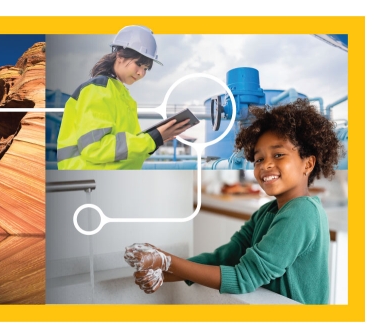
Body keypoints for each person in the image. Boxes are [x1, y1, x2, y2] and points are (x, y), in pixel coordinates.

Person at [124, 98, 345, 304]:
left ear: (308, 164)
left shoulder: (302, 212)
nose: (265, 165)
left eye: (278, 155)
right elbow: (225, 257)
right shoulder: (268, 212)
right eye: (259, 159)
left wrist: (166, 260)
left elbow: (244, 277)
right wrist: (163, 273)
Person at [56, 25, 190, 170]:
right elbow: (95, 148)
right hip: (87, 181)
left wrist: (156, 140)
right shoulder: (98, 89)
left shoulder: (122, 96)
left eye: (145, 68)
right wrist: (150, 139)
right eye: (138, 64)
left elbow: (124, 152)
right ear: (119, 55)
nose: (141, 73)